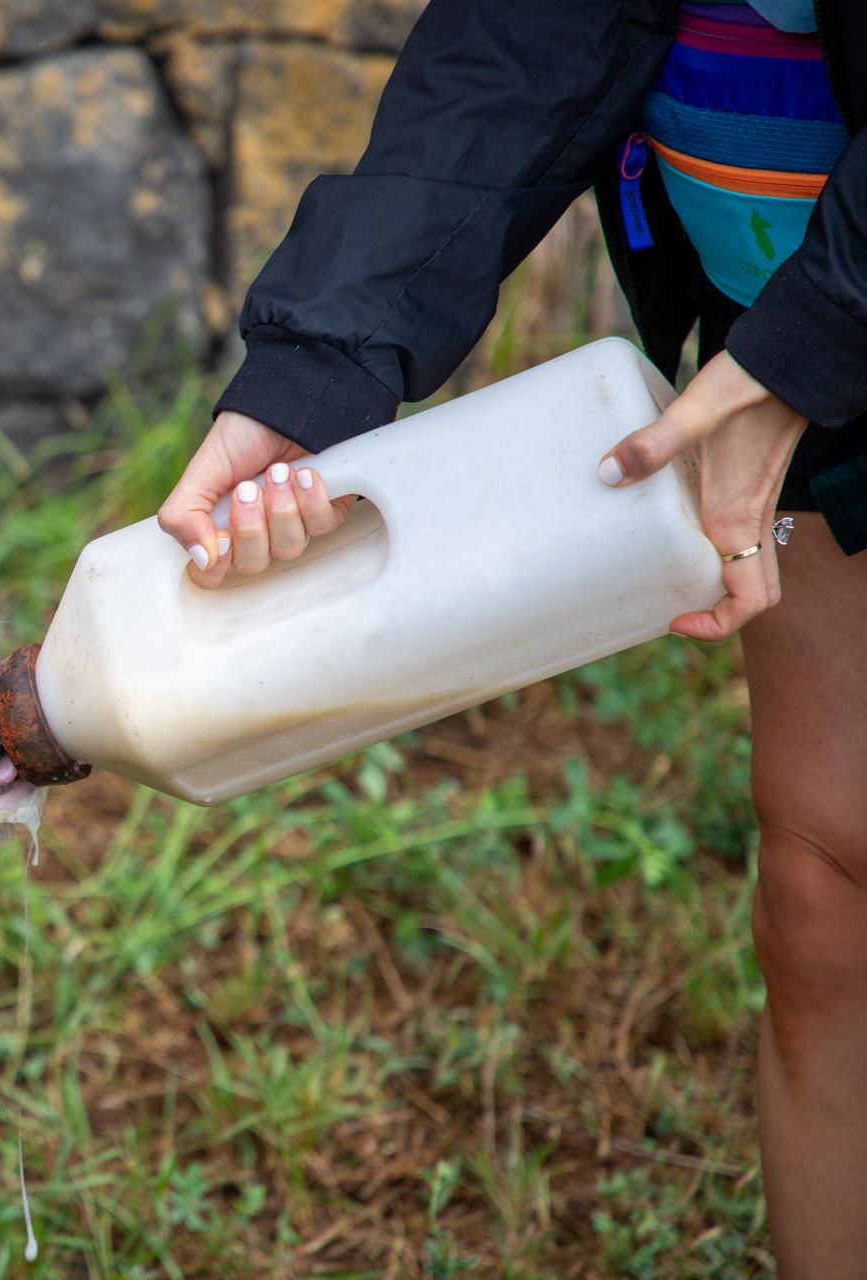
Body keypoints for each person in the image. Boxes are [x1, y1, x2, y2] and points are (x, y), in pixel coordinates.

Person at [155, 3, 867, 1275]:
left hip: (817, 331)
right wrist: (321, 363)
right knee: (826, 891)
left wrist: (816, 345)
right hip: (790, 342)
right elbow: (535, 26)